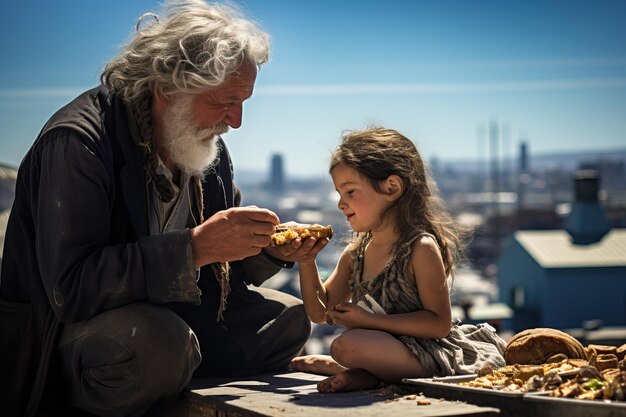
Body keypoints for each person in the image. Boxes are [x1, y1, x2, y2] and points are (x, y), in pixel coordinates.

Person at [0, 1, 322, 416]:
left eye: (243, 101)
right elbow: (73, 289)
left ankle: (169, 378)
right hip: (71, 336)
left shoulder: (204, 145)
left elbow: (220, 272)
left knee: (287, 319)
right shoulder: (78, 143)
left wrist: (268, 249)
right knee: (158, 342)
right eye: (225, 101)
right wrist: (194, 249)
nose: (236, 121)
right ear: (169, 87)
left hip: (172, 320)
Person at [290, 127, 507, 393]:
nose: (340, 204)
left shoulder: (419, 248)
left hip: (429, 354)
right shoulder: (355, 254)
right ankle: (369, 373)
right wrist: (307, 260)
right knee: (346, 345)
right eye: (338, 194)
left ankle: (365, 374)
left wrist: (368, 322)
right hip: (382, 350)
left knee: (347, 345)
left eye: (349, 192)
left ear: (391, 187)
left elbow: (438, 324)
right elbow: (320, 312)